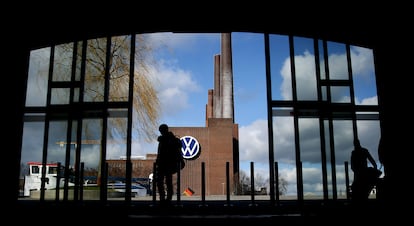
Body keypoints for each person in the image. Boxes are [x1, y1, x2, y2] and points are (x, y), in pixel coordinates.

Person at [155, 124, 183, 205]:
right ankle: (168, 198)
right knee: (168, 181)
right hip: (169, 164)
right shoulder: (173, 139)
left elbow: (160, 153)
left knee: (161, 181)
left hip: (164, 163)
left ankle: (163, 198)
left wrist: (158, 161)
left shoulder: (163, 140)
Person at [350, 138, 381, 203]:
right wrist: (374, 169)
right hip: (363, 173)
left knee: (357, 190)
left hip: (359, 174)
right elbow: (373, 162)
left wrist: (357, 172)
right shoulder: (364, 151)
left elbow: (352, 166)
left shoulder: (354, 153)